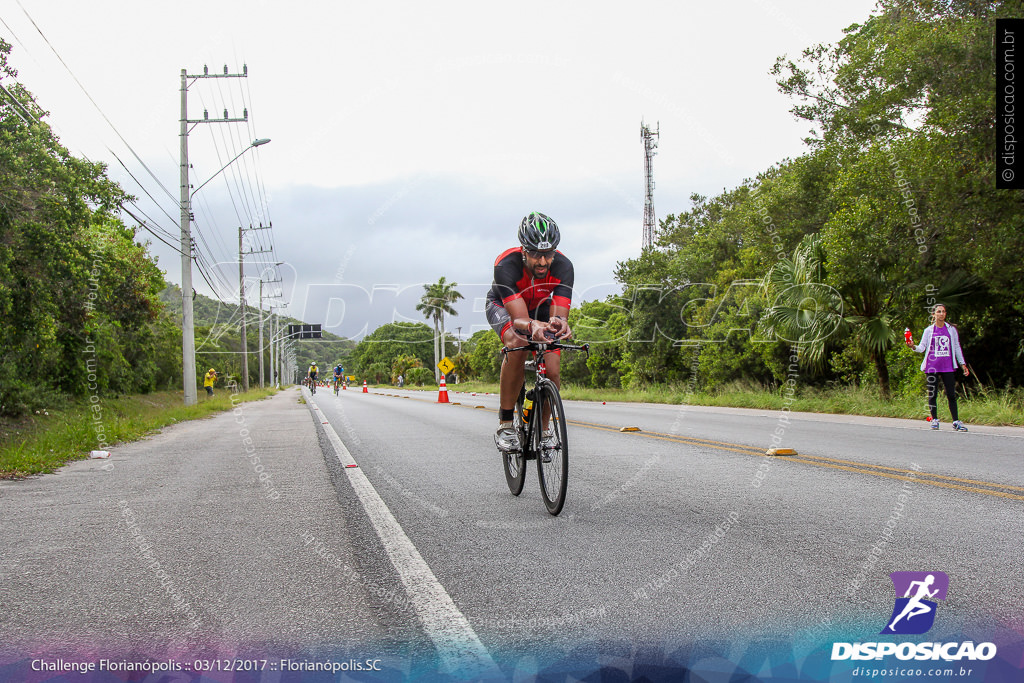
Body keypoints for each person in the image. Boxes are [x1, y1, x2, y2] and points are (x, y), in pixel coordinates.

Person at [486, 212, 574, 452]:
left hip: (541, 310)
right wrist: (533, 325)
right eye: (535, 254)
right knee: (516, 342)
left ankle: (544, 432)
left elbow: (558, 315)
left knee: (553, 369)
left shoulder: (565, 267)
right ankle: (505, 424)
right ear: (523, 250)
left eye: (548, 254)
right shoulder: (505, 265)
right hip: (504, 307)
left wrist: (559, 324)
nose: (543, 262)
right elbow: (519, 320)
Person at [907, 304, 969, 432]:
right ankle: (934, 419)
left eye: (943, 312)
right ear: (933, 314)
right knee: (933, 393)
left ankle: (956, 421)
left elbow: (956, 347)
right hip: (932, 366)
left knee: (951, 394)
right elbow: (921, 348)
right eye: (939, 312)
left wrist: (962, 364)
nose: (941, 314)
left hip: (947, 366)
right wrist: (913, 346)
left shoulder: (951, 330)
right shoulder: (929, 330)